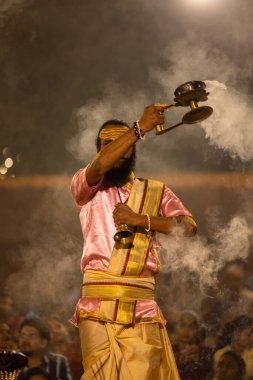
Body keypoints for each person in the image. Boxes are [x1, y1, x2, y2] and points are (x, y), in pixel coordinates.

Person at [70, 104, 197, 380]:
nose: (116, 153)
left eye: (123, 145)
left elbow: (188, 228)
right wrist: (139, 128)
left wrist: (141, 220)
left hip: (141, 306)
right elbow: (102, 164)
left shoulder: (156, 190)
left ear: (133, 150)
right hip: (97, 306)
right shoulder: (84, 185)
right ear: (98, 151)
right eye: (107, 145)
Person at [17, 314, 72, 380]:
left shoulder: (58, 362)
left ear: (43, 343)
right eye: (22, 335)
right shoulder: (12, 363)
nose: (25, 340)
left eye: (32, 336)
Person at [172, 310, 213, 380]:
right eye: (183, 325)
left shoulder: (206, 352)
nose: (186, 330)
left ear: (197, 330)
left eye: (191, 327)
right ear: (176, 328)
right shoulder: (169, 351)